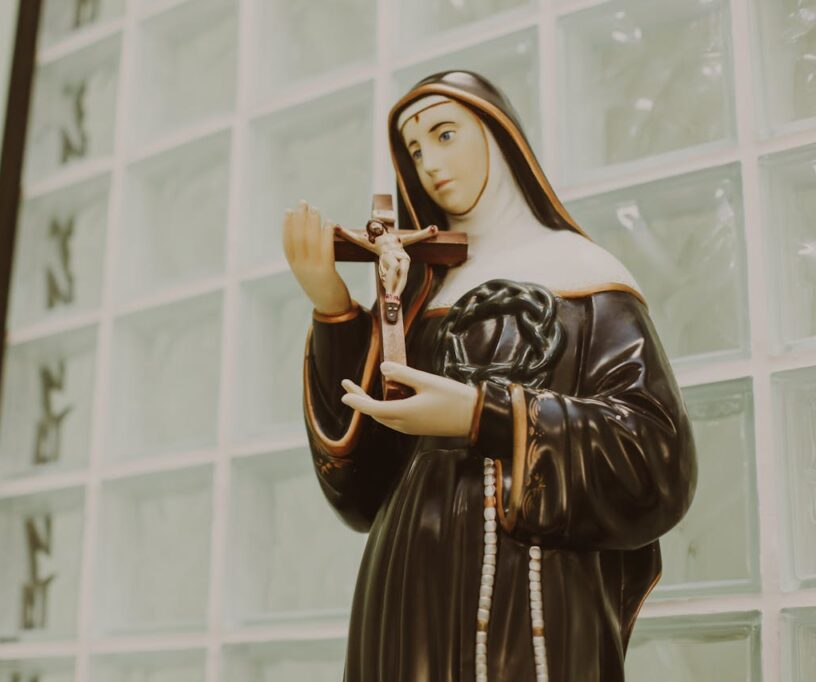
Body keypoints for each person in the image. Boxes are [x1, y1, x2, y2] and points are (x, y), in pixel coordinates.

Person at [282, 70, 698, 681]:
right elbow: (361, 489)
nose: (429, 164)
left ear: (501, 138)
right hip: (405, 581)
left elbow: (655, 454)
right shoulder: (420, 291)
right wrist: (334, 310)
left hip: (530, 587)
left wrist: (487, 415)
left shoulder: (584, 275)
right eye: (415, 149)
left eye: (446, 135)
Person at [333, 219, 439, 323]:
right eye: (372, 227)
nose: (374, 226)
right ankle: (389, 293)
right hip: (387, 254)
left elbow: (413, 237)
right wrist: (341, 230)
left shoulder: (396, 237)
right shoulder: (372, 241)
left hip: (402, 254)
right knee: (393, 266)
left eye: (376, 224)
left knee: (403, 271)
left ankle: (396, 294)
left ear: (383, 226)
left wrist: (428, 232)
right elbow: (356, 238)